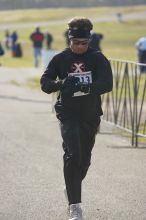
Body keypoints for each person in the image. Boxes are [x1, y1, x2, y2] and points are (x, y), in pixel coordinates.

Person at [40, 17, 113, 220]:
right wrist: (61, 83)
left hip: (90, 114)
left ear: (88, 41)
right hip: (68, 113)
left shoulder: (98, 58)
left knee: (84, 160)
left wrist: (85, 87)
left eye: (84, 43)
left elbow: (107, 84)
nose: (80, 47)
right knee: (73, 154)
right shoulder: (60, 59)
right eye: (76, 43)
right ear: (69, 41)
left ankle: (72, 185)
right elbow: (45, 83)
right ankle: (75, 206)